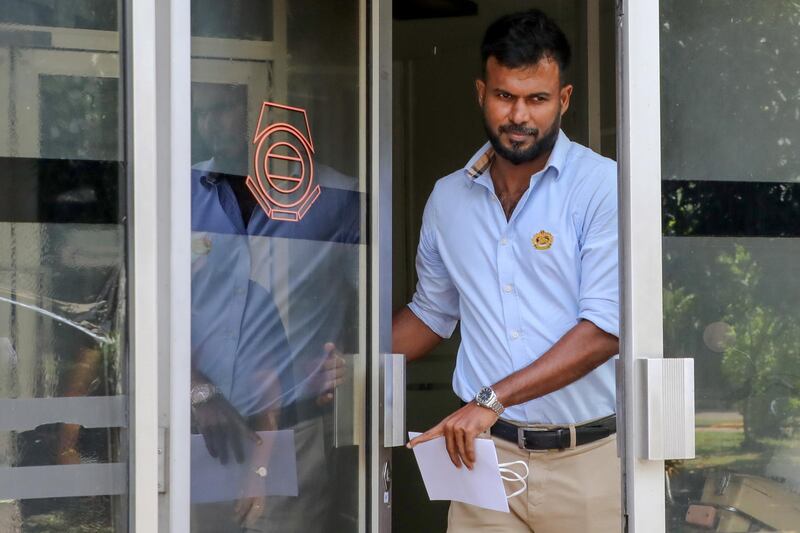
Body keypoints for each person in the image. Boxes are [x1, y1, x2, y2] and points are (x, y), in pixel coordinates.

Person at [395, 9, 621, 533]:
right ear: (482, 92)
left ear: (563, 99)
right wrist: (351, 357)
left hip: (585, 462)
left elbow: (605, 331)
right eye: (505, 96)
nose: (519, 115)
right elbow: (431, 314)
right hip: (484, 461)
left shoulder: (601, 186)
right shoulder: (447, 199)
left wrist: (489, 400)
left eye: (537, 99)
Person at [189, 84, 360, 532]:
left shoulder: (338, 198)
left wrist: (346, 363)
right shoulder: (182, 191)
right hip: (203, 433)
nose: (210, 124)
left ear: (260, 113)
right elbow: (151, 312)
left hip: (292, 432)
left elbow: (370, 307)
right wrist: (197, 391)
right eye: (203, 112)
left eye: (222, 109)